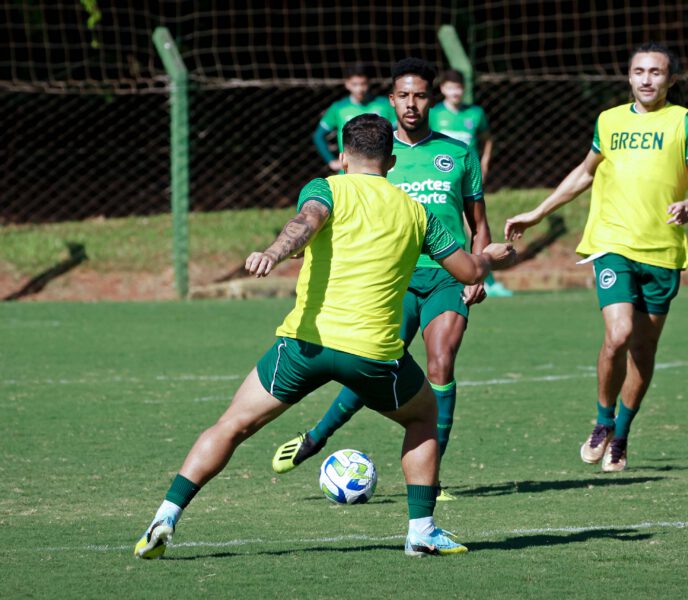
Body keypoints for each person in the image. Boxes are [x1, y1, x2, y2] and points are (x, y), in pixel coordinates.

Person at [133, 114, 515, 560]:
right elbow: (468, 273)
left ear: (341, 155)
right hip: (372, 355)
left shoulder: (325, 188)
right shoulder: (418, 212)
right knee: (423, 417)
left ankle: (165, 516)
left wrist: (274, 252)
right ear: (391, 161)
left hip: (304, 345)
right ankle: (422, 531)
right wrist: (489, 257)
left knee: (231, 425)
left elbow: (306, 221)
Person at [272, 58, 491, 501]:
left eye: (421, 95)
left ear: (432, 99)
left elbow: (478, 221)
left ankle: (433, 475)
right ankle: (317, 436)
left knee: (441, 363)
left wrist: (479, 266)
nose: (412, 104)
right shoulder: (375, 153)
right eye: (403, 95)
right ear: (391, 100)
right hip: (394, 278)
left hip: (447, 277)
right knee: (375, 369)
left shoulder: (458, 153)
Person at [505, 43, 688, 472]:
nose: (646, 79)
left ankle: (622, 432)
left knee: (643, 348)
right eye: (639, 71)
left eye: (656, 72)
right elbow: (586, 171)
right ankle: (602, 421)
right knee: (618, 334)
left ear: (671, 79)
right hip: (612, 244)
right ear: (629, 76)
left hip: (663, 250)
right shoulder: (610, 120)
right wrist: (538, 212)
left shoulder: (686, 123)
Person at [430, 69, 513, 298]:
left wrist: (484, 164)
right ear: (442, 89)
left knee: (475, 228)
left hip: (467, 180)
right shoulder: (434, 114)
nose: (455, 92)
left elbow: (487, 140)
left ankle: (486, 278)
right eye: (450, 87)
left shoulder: (475, 113)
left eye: (459, 87)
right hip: (442, 182)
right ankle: (454, 274)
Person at [312, 63, 396, 172]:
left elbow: (398, 134)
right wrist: (331, 161)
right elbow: (318, 136)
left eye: (363, 84)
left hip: (380, 170)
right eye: (355, 84)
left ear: (369, 83)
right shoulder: (338, 108)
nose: (360, 89)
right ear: (347, 84)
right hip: (349, 171)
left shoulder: (385, 105)